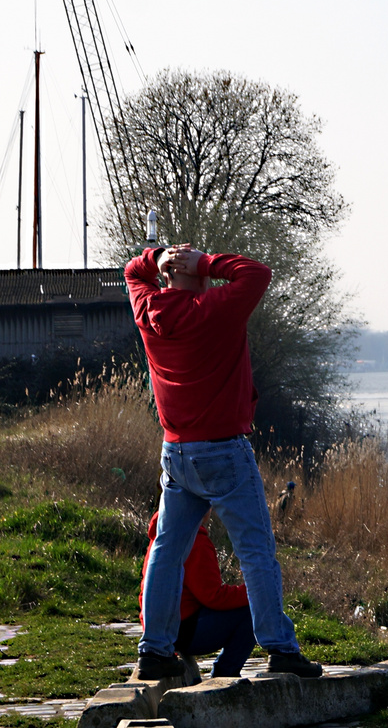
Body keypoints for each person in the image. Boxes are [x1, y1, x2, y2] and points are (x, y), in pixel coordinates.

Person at [127, 241, 321, 681]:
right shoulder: (217, 307)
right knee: (256, 552)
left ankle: (154, 651)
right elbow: (257, 273)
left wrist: (155, 258)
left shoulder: (148, 307)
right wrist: (209, 262)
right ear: (198, 274)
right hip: (224, 451)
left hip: (176, 452)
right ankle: (279, 647)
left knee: (166, 550)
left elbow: (132, 273)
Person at [143, 511, 256, 678]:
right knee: (253, 612)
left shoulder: (161, 537)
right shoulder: (195, 541)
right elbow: (213, 596)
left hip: (158, 631)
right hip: (183, 632)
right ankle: (225, 673)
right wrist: (253, 592)